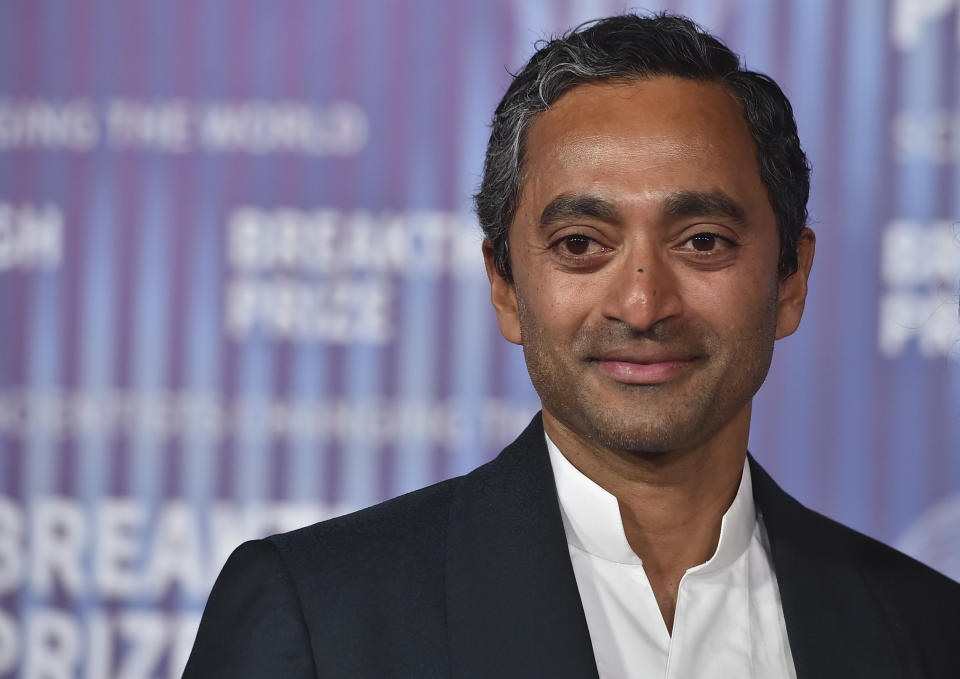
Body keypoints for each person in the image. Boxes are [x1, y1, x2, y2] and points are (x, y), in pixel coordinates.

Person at [184, 13, 960, 678]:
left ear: (790, 279)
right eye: (582, 244)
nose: (643, 302)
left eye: (702, 240)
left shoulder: (926, 631)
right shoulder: (321, 619)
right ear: (507, 287)